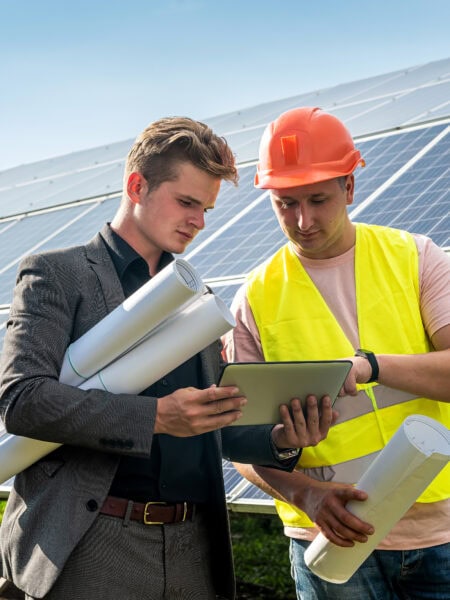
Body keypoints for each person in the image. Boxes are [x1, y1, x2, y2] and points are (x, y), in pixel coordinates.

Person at [0, 116, 336, 600]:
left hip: (192, 547)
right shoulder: (57, 274)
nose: (199, 221)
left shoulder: (194, 297)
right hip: (90, 544)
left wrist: (283, 438)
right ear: (137, 186)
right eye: (187, 202)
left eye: (207, 209)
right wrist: (156, 417)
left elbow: (217, 423)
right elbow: (22, 400)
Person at [223, 107, 450, 600]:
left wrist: (372, 367)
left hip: (439, 533)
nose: (303, 221)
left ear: (349, 188)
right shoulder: (253, 299)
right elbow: (237, 440)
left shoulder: (417, 257)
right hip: (328, 539)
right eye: (285, 204)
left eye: (318, 200)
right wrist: (304, 493)